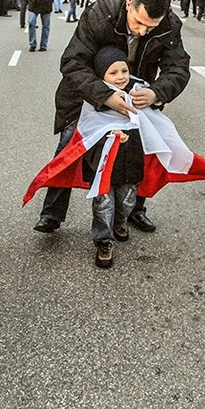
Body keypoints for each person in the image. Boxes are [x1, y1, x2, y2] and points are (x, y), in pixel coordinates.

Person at [33, 0, 190, 234]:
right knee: (68, 148)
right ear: (129, 4)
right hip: (87, 94)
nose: (141, 31)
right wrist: (104, 95)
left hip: (137, 97)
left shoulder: (169, 25)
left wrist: (156, 93)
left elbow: (178, 68)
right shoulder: (100, 13)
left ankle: (135, 210)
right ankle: (52, 212)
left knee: (140, 153)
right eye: (138, 23)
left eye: (150, 27)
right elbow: (73, 61)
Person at [84, 47, 143, 268]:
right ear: (101, 76)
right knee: (103, 204)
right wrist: (108, 136)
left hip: (129, 163)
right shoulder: (95, 100)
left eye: (124, 70)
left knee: (127, 201)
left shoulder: (136, 94)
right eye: (113, 73)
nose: (120, 77)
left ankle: (121, 222)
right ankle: (104, 240)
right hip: (102, 164)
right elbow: (87, 131)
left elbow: (152, 123)